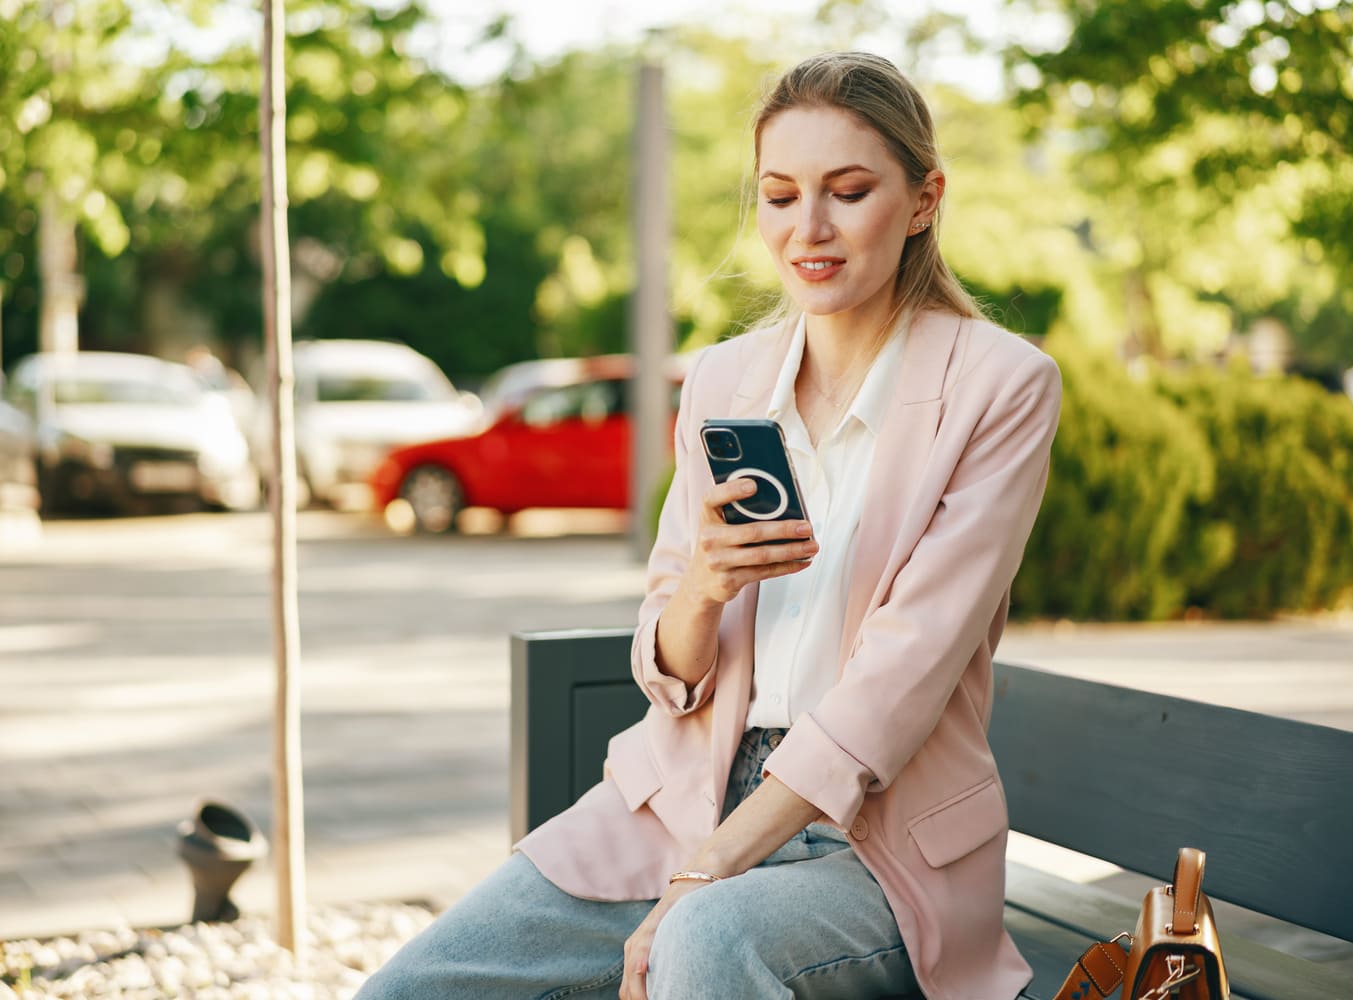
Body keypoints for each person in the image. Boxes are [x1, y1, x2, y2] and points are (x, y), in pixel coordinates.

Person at [357, 51, 1061, 1000]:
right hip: (677, 798)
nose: (806, 229)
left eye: (847, 192)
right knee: (412, 991)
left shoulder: (1000, 385)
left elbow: (904, 677)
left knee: (704, 943)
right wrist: (705, 588)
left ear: (925, 198)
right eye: (778, 196)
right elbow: (669, 665)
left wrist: (706, 871)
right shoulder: (724, 382)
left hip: (877, 847)